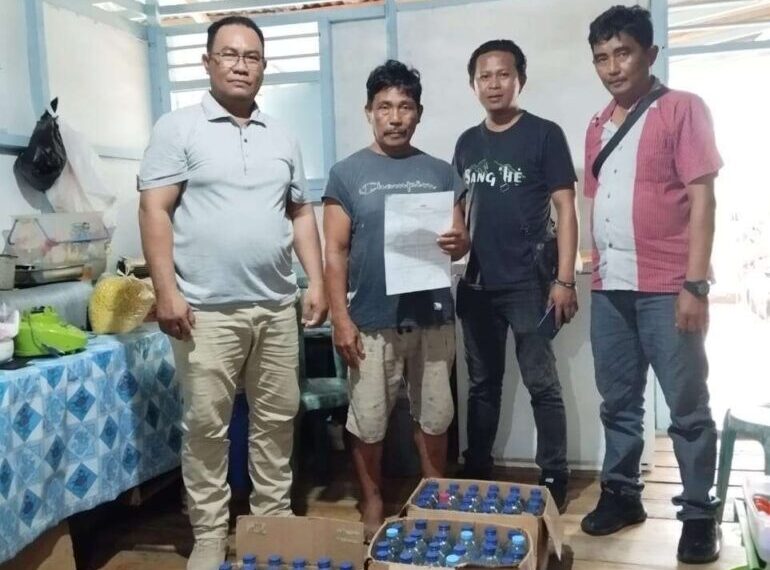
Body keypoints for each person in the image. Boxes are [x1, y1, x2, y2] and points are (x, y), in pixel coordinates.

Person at [137, 16, 327, 570]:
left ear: (264, 66)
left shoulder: (282, 136)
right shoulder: (177, 128)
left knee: (277, 420)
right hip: (204, 311)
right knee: (205, 426)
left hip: (275, 306)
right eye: (230, 54)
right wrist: (166, 291)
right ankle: (209, 535)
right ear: (207, 62)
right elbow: (154, 209)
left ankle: (271, 524)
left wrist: (315, 281)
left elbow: (300, 212)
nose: (241, 65)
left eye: (252, 57)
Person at [580, 6, 722, 564]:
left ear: (650, 54)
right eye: (602, 58)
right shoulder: (597, 125)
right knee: (618, 402)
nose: (613, 67)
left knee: (687, 407)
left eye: (623, 53)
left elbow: (704, 199)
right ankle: (622, 495)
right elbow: (596, 199)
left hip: (669, 285)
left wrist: (696, 285)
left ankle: (698, 514)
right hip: (609, 285)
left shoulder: (682, 109)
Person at [323, 60, 469, 537]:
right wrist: (341, 319)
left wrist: (459, 242)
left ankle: (434, 493)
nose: (395, 117)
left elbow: (460, 240)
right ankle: (372, 501)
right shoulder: (346, 174)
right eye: (384, 107)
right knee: (368, 420)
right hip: (370, 319)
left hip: (432, 316)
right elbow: (335, 252)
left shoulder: (441, 173)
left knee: (436, 415)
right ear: (369, 111)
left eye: (405, 107)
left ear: (418, 113)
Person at [453, 39, 579, 510]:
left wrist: (564, 280)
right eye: (484, 76)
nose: (494, 84)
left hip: (530, 283)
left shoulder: (544, 134)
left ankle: (554, 475)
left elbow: (566, 208)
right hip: (477, 285)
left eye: (503, 74)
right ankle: (477, 469)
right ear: (474, 84)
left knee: (541, 384)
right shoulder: (467, 142)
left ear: (519, 79)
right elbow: (459, 211)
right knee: (482, 386)